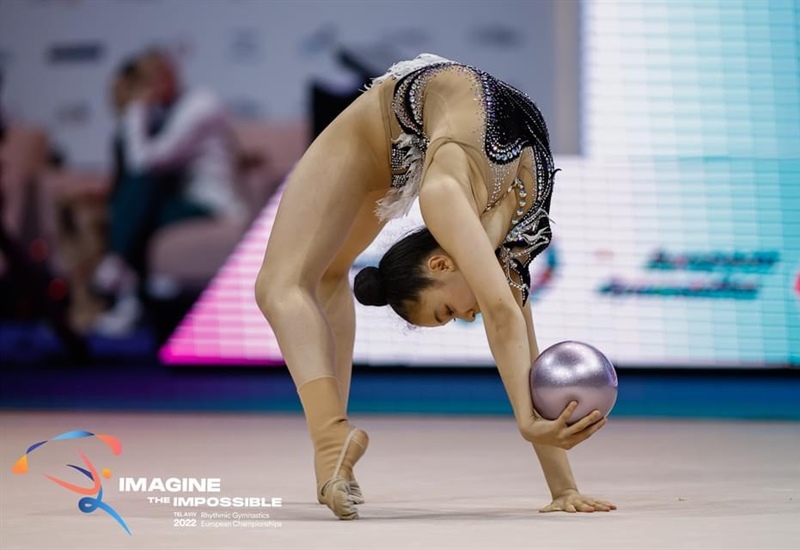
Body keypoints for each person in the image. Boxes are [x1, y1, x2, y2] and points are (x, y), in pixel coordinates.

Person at [255, 53, 614, 520]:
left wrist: (563, 488)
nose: (466, 317)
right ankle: (331, 445)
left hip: (432, 126)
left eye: (448, 313)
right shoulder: (445, 197)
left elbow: (516, 336)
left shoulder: (484, 229)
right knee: (281, 284)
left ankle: (333, 451)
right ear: (443, 263)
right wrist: (530, 427)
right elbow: (505, 318)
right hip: (370, 134)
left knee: (320, 277)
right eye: (448, 313)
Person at [93, 48, 244, 336]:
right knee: (139, 200)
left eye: (152, 79)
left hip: (212, 203)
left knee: (143, 185)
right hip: (184, 200)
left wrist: (136, 111)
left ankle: (119, 268)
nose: (149, 89)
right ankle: (127, 288)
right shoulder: (166, 112)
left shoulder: (200, 106)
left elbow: (146, 161)